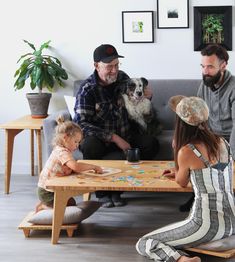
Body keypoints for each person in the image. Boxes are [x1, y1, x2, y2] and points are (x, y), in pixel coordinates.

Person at [136, 96, 235, 262]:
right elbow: (213, 175)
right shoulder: (223, 142)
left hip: (207, 226)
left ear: (181, 123)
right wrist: (185, 171)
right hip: (231, 221)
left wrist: (177, 153)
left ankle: (182, 259)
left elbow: (181, 182)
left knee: (144, 242)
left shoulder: (187, 150)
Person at [73, 44, 159, 208]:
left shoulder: (123, 78)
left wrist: (148, 96)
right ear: (96, 66)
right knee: (89, 145)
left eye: (116, 65)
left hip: (127, 134)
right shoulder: (87, 89)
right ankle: (102, 193)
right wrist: (113, 138)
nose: (114, 70)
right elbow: (81, 123)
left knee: (151, 144)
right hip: (101, 139)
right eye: (109, 66)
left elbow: (136, 101)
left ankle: (118, 189)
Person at [180, 44, 235, 212]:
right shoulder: (205, 84)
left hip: (228, 136)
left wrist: (232, 153)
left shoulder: (233, 88)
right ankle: (197, 194)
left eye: (210, 66)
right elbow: (196, 115)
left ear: (224, 65)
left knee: (220, 152)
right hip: (209, 135)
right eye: (203, 66)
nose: (205, 71)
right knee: (184, 147)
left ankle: (225, 196)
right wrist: (184, 139)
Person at [36, 116, 103, 212]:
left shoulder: (62, 149)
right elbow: (75, 166)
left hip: (50, 188)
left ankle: (46, 204)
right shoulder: (62, 152)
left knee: (71, 202)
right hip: (47, 191)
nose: (77, 145)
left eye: (78, 142)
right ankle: (44, 207)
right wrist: (93, 167)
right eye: (75, 141)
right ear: (65, 138)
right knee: (70, 205)